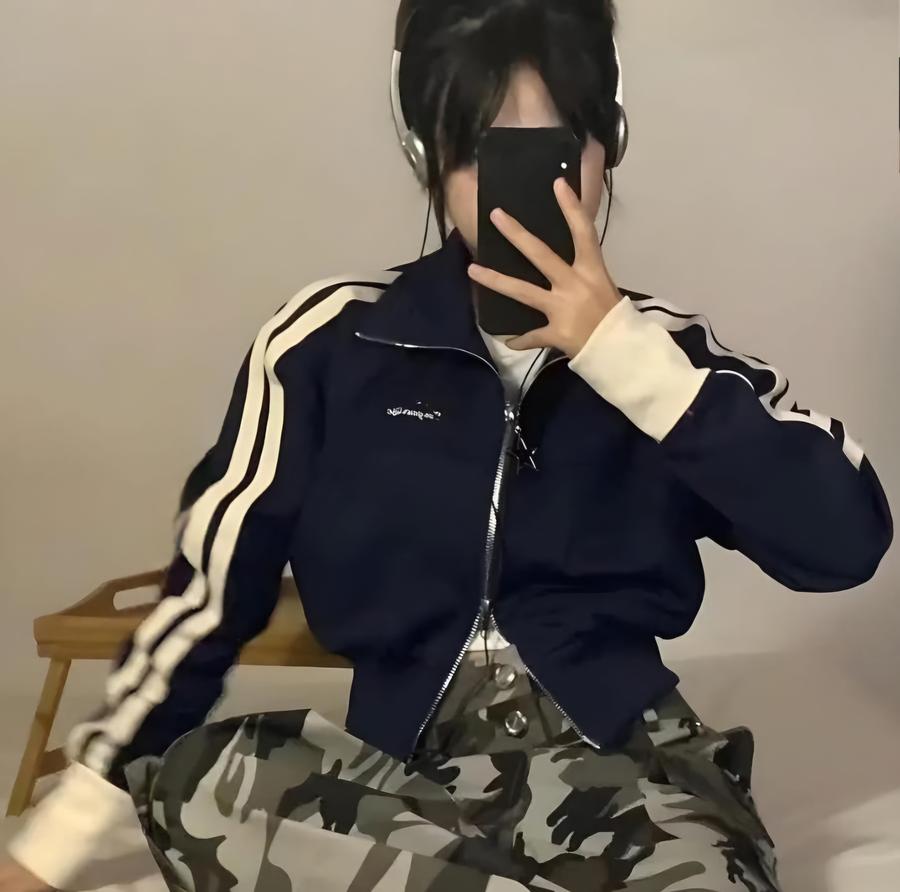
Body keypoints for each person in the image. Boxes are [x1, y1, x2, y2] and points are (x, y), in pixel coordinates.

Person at [3, 1, 892, 890]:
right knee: (200, 781)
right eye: (480, 153)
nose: (522, 195)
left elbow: (843, 543)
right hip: (401, 785)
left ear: (609, 143)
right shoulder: (325, 344)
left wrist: (623, 358)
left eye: (555, 152)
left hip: (626, 772)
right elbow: (208, 604)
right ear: (426, 153)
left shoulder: (673, 360)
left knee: (698, 864)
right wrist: (47, 854)